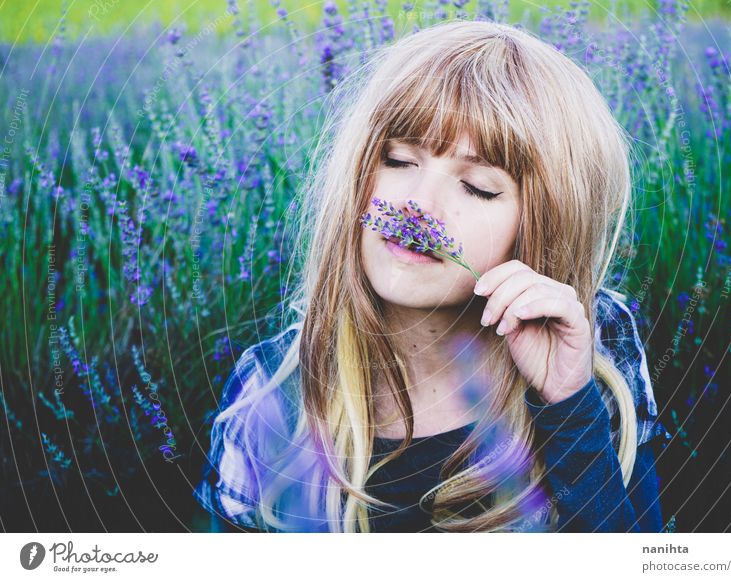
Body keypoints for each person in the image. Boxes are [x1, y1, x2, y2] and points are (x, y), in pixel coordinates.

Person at [194, 18, 670, 533]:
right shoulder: (273, 393)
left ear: (547, 224)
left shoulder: (595, 342)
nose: (417, 206)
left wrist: (569, 408)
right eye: (398, 160)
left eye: (478, 187)